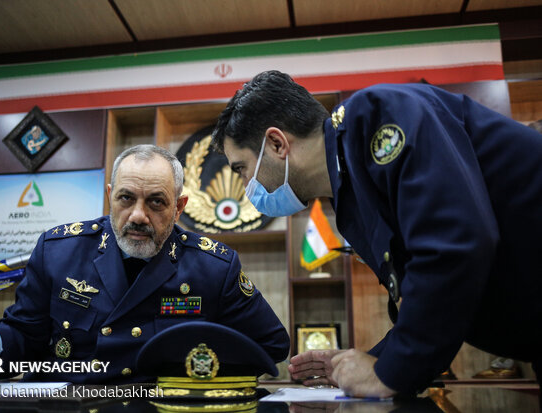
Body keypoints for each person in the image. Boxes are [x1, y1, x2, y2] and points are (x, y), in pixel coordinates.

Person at [212, 70, 542, 398]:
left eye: (241, 169)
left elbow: (454, 244)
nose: (246, 188)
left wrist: (389, 373)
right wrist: (373, 360)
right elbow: (420, 287)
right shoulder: (351, 192)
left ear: (276, 143)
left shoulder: (379, 115)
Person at [0, 144, 290, 386]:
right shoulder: (59, 250)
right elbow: (25, 335)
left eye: (156, 203)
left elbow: (270, 345)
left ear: (179, 208)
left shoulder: (214, 266)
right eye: (126, 198)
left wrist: (197, 377)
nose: (138, 216)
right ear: (111, 195)